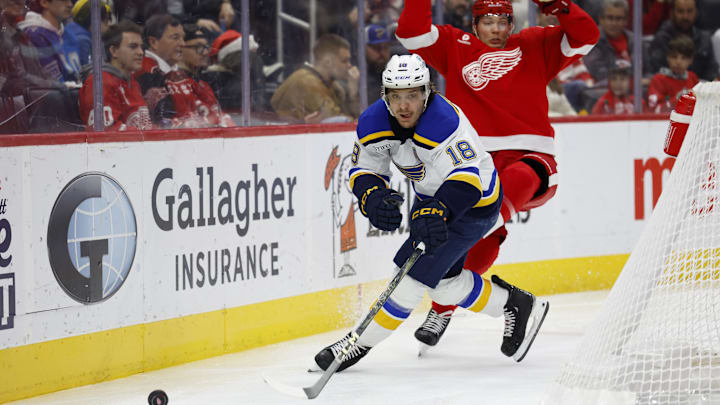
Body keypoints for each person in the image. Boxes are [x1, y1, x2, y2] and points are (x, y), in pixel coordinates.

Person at [312, 54, 549, 372]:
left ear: (427, 92)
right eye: (396, 96)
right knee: (440, 281)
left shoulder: (444, 122)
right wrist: (372, 196)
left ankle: (357, 344)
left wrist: (439, 210)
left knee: (411, 278)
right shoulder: (373, 122)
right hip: (429, 198)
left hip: (473, 203)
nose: (404, 105)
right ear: (386, 96)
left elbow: (467, 182)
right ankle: (514, 303)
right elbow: (364, 168)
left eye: (412, 95)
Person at [394, 0, 598, 348]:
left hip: (530, 159)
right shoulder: (454, 47)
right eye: (488, 22)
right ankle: (444, 306)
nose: (497, 30)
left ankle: (467, 247)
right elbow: (411, 33)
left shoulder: (536, 45)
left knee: (493, 207)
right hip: (474, 165)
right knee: (479, 244)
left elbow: (586, 37)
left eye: (504, 22)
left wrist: (561, 6)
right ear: (474, 25)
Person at [78, 20, 151, 131]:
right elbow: (106, 130)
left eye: (141, 47)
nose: (141, 52)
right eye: (133, 46)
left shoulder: (132, 82)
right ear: (114, 51)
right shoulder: (100, 82)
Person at [271, 34, 360, 123]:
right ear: (328, 62)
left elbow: (348, 119)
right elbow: (340, 122)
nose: (350, 65)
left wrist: (353, 95)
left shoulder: (333, 85)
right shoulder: (307, 82)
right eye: (344, 61)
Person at [168, 24, 234, 128]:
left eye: (206, 47)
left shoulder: (203, 83)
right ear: (180, 48)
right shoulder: (172, 83)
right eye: (198, 47)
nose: (206, 52)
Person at [134, 14, 185, 127]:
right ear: (153, 42)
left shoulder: (176, 71)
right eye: (175, 38)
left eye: (183, 38)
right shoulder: (145, 71)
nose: (183, 43)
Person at [649, 0, 717, 81]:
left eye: (689, 11)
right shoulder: (662, 39)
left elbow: (712, 71)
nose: (685, 16)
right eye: (680, 11)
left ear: (696, 12)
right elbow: (656, 72)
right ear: (672, 13)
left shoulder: (704, 39)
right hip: (670, 89)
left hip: (701, 89)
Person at [19, 0, 81, 84]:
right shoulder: (33, 35)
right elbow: (50, 85)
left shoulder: (69, 36)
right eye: (64, 0)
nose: (70, 4)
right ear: (44, 2)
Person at [583, 0, 640, 84]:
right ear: (601, 19)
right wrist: (631, 81)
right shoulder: (591, 40)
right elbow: (598, 73)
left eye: (619, 18)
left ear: (626, 20)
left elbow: (646, 71)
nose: (614, 23)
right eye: (610, 18)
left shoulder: (635, 40)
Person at [648, 34, 699, 113]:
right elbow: (654, 110)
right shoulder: (658, 80)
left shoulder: (692, 77)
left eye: (683, 58)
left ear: (691, 60)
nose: (678, 62)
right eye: (674, 57)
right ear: (667, 57)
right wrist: (677, 100)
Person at [65, 0, 112, 67]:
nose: (109, 24)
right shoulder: (82, 41)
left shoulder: (87, 37)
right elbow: (83, 71)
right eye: (106, 21)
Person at [365, 24, 392, 104]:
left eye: (385, 47)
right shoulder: (359, 77)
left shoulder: (394, 72)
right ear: (363, 49)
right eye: (375, 47)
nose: (382, 53)